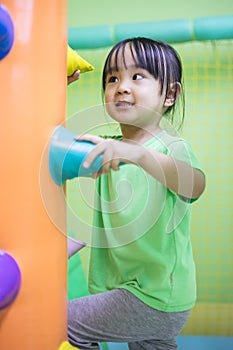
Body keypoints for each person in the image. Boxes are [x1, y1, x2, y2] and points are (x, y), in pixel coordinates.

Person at [67, 37, 206, 350]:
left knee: (63, 324)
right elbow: (46, 143)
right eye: (112, 78)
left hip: (153, 296)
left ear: (170, 94)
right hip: (139, 294)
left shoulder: (171, 148)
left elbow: (195, 185)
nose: (122, 86)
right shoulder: (106, 146)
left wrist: (138, 155)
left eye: (137, 76)